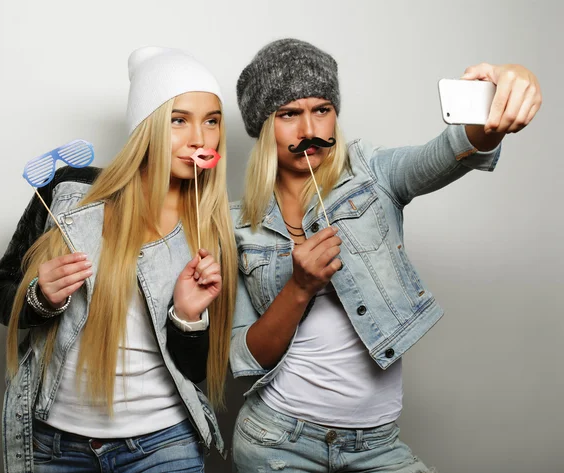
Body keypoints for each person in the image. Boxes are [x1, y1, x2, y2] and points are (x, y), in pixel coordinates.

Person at [230, 38, 541, 472]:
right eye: (288, 115)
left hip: (377, 444)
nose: (309, 132)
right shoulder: (237, 226)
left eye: (322, 109)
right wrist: (299, 287)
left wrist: (501, 103)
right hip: (276, 440)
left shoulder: (373, 174)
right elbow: (244, 357)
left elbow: (448, 152)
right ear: (264, 127)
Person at [0, 46, 237, 473]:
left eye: (211, 121)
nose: (200, 138)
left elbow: (195, 369)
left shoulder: (212, 225)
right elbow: (0, 296)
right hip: (56, 447)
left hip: (164, 446)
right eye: (179, 120)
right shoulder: (68, 194)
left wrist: (188, 317)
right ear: (146, 126)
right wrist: (41, 298)